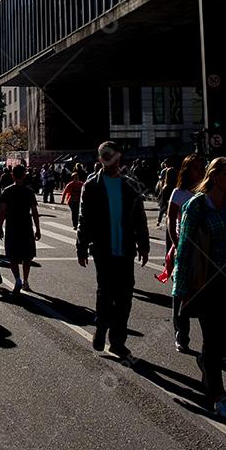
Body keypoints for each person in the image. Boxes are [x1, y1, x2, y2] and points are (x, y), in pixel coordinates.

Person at [170, 157, 226, 420]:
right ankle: (218, 396)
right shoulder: (197, 206)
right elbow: (185, 247)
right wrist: (181, 288)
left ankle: (206, 362)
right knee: (212, 341)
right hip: (205, 283)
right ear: (214, 176)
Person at [76, 141, 149, 358]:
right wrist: (81, 246)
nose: (111, 160)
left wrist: (143, 244)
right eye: (106, 156)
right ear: (100, 159)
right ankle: (101, 327)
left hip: (126, 248)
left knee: (125, 296)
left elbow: (140, 217)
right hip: (102, 248)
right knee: (106, 293)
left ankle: (118, 341)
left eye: (114, 156)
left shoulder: (130, 184)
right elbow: (84, 218)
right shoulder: (92, 185)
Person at [166, 154, 205, 351]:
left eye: (201, 167)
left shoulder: (206, 192)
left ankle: (210, 343)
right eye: (195, 167)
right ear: (187, 170)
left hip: (205, 249)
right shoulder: (179, 193)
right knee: (181, 293)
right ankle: (181, 334)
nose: (199, 171)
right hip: (184, 247)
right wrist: (176, 243)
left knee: (203, 292)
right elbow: (171, 219)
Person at [1, 165, 41, 296]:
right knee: (27, 255)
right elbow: (34, 212)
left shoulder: (7, 191)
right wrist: (38, 228)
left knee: (12, 255)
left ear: (12, 175)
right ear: (24, 176)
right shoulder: (29, 191)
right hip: (26, 225)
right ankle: (25, 281)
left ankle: (17, 279)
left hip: (12, 225)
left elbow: (2, 211)